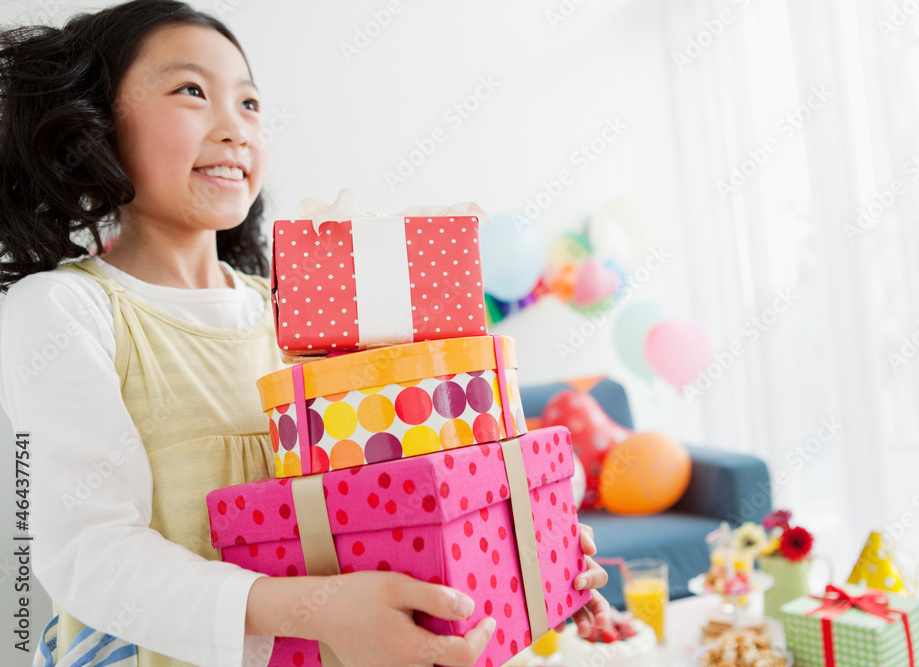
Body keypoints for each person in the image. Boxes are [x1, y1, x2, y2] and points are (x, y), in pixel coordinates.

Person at [0, 1, 611, 666]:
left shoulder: (299, 315)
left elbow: (385, 506)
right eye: (192, 91)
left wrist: (523, 563)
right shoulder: (60, 310)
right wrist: (319, 610)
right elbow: (89, 555)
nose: (236, 129)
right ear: (94, 123)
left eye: (250, 104)